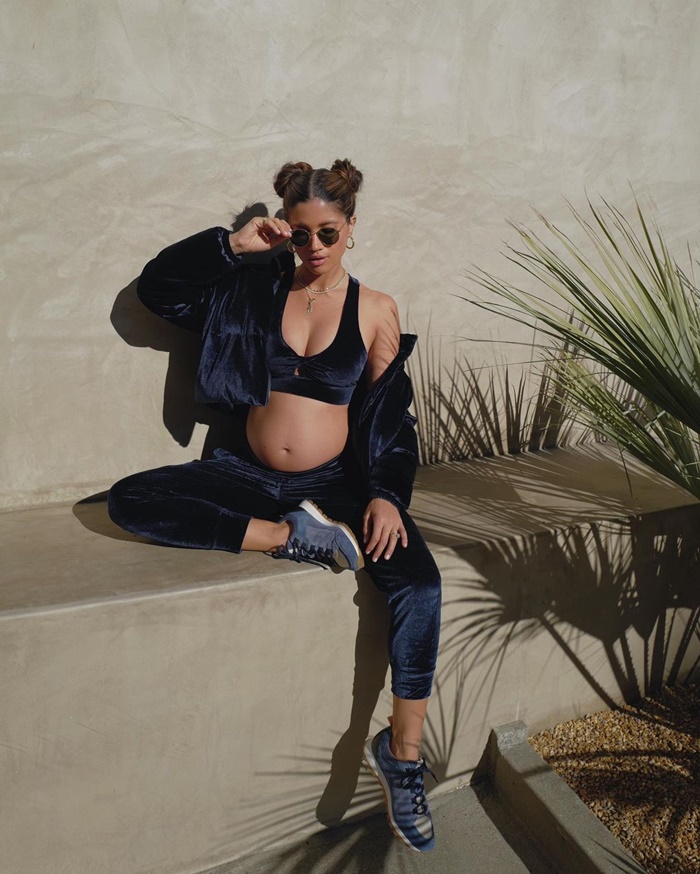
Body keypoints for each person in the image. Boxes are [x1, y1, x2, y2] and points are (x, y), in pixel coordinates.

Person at [108, 159, 442, 853]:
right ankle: (287, 538)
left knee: (420, 583)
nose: (314, 246)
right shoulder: (251, 290)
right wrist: (233, 247)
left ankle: (402, 753)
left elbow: (390, 417)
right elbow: (158, 291)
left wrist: (386, 495)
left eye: (328, 233)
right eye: (300, 233)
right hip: (249, 477)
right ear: (284, 229)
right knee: (131, 500)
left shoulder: (376, 309)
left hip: (335, 487)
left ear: (352, 228)